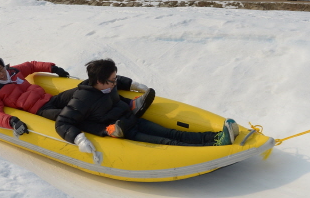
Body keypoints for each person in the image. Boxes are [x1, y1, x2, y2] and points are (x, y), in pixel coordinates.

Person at [54, 58, 238, 155]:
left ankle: (218, 137)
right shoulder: (83, 98)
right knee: (169, 143)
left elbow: (119, 82)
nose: (115, 82)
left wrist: (133, 84)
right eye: (112, 80)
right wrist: (78, 139)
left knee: (172, 133)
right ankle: (214, 150)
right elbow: (62, 122)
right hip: (122, 131)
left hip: (131, 118)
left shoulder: (108, 84)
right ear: (100, 81)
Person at [0, 57, 154, 137]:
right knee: (76, 115)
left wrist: (52, 68)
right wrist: (12, 121)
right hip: (42, 110)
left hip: (52, 98)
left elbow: (32, 64)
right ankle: (110, 128)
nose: (0, 72)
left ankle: (131, 104)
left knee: (82, 91)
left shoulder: (14, 72)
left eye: (0, 67)